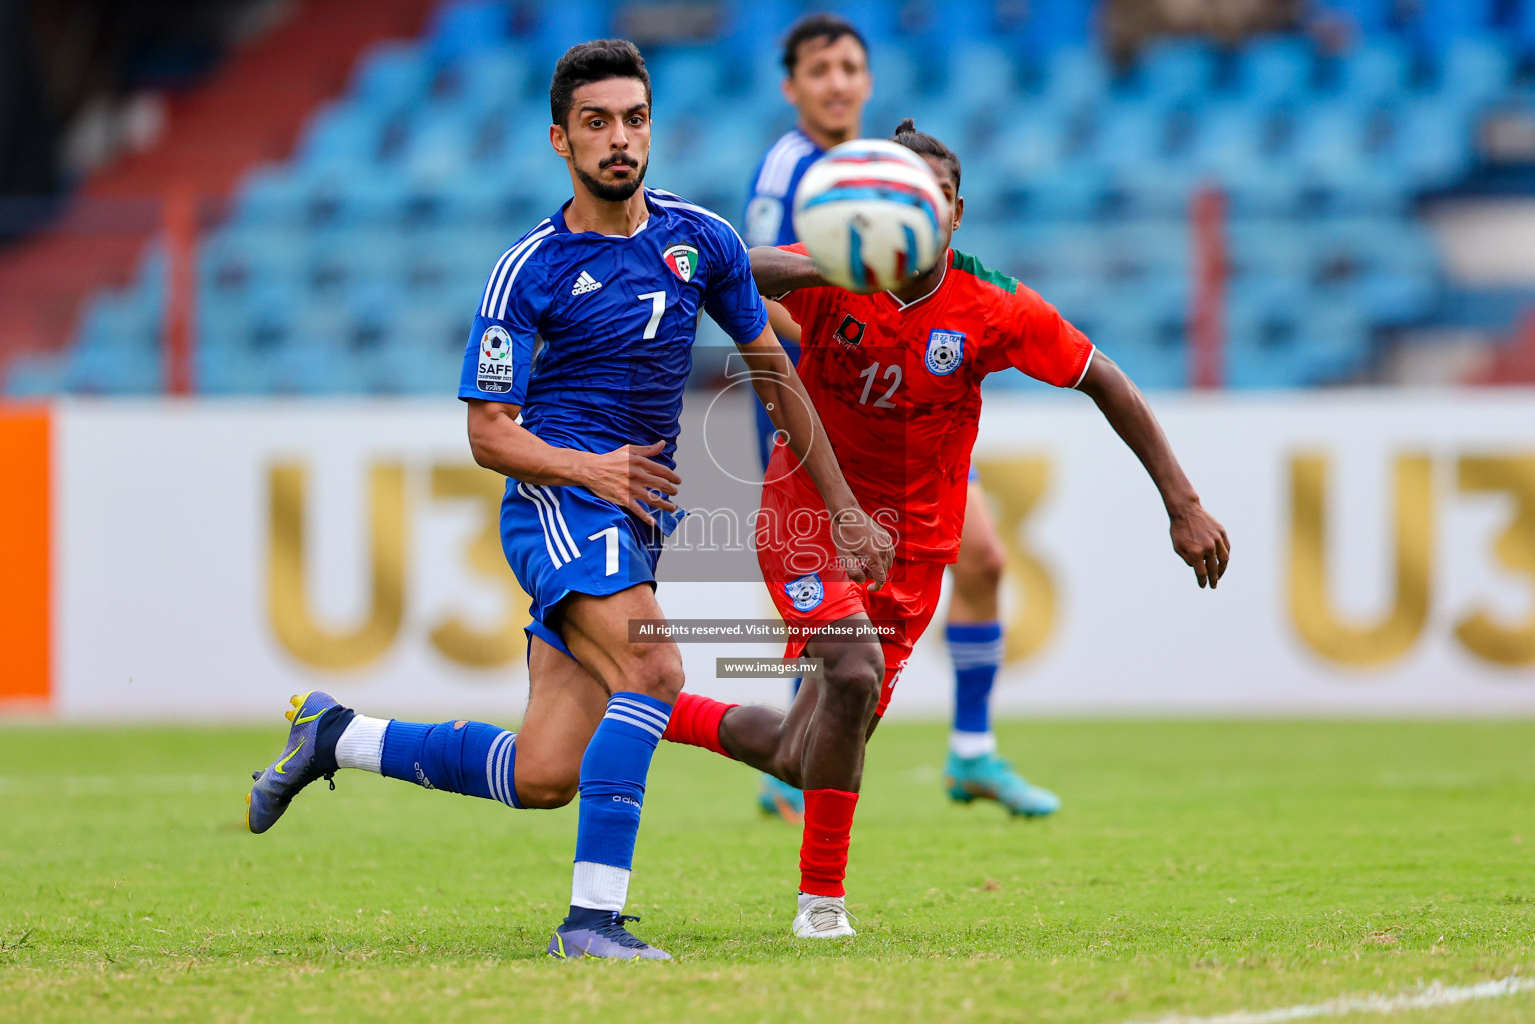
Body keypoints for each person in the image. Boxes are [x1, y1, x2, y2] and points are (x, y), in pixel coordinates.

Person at [243, 39, 890, 961]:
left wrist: (842, 509)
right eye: (597, 124)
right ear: (561, 140)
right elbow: (488, 434)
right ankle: (591, 926)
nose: (619, 140)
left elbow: (772, 372)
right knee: (658, 670)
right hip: (559, 501)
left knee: (545, 772)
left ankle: (337, 737)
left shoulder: (699, 241)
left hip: (638, 519)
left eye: (634, 120)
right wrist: (593, 471)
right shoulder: (529, 268)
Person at [661, 120, 1231, 938]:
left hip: (915, 548)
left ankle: (651, 706)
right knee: (852, 670)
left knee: (803, 747)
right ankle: (821, 907)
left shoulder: (994, 306)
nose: (906, 213)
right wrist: (839, 261)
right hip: (809, 514)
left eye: (923, 199)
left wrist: (1181, 501)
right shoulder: (832, 274)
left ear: (954, 212)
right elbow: (729, 271)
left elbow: (1104, 379)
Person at [742, 13, 1060, 823]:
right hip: (834, 405)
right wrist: (833, 347)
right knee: (840, 592)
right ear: (794, 87)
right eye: (820, 71)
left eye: (851, 67)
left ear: (869, 81)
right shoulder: (791, 170)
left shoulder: (886, 170)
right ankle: (798, 755)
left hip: (915, 404)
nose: (838, 82)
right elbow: (752, 295)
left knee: (981, 558)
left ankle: (971, 752)